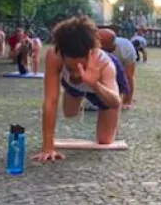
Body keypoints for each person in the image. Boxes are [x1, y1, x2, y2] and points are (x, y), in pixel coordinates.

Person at [35, 16, 126, 162]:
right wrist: (47, 147)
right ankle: (78, 93)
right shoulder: (54, 55)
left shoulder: (106, 64)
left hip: (102, 87)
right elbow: (50, 101)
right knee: (69, 113)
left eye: (82, 67)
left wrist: (95, 84)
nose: (77, 73)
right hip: (73, 85)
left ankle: (95, 101)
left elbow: (114, 102)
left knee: (104, 140)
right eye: (71, 68)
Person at [98, 28, 137, 108]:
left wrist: (127, 102)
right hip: (103, 67)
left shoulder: (126, 48)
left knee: (126, 77)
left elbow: (129, 77)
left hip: (121, 64)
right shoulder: (94, 47)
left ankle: (127, 100)